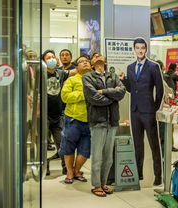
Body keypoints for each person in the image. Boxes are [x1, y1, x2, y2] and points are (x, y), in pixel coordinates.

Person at [119, 38, 163, 186]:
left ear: (146, 49)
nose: (140, 50)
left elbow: (160, 89)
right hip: (135, 111)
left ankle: (158, 176)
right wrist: (124, 81)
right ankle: (138, 174)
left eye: (142, 48)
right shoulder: (130, 67)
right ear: (134, 49)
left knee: (154, 144)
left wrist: (155, 107)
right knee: (138, 145)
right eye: (137, 48)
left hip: (148, 111)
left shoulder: (153, 66)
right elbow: (131, 89)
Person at [83, 53, 125, 197]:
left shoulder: (112, 76)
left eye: (101, 55)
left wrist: (105, 91)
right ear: (92, 62)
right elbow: (93, 97)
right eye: (95, 56)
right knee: (97, 156)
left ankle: (103, 183)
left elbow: (122, 92)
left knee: (108, 157)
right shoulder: (87, 77)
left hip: (112, 121)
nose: (98, 57)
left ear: (105, 61)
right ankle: (96, 185)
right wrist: (112, 98)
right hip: (98, 121)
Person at [59, 55, 92, 184]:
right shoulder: (72, 80)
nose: (84, 63)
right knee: (68, 147)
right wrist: (83, 94)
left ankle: (77, 170)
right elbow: (65, 96)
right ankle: (70, 172)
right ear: (77, 67)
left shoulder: (95, 79)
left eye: (86, 62)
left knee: (85, 150)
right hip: (72, 119)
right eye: (81, 62)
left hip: (91, 120)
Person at [43, 49, 76, 174]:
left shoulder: (60, 73)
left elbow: (73, 71)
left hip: (57, 115)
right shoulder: (40, 73)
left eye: (53, 56)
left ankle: (65, 168)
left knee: (62, 142)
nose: (51, 59)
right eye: (48, 57)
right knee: (43, 144)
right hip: (44, 114)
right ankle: (43, 168)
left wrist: (87, 64)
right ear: (43, 61)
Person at [156, 60, 178, 152]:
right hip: (161, 112)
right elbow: (171, 93)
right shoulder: (162, 79)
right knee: (163, 137)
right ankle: (162, 160)